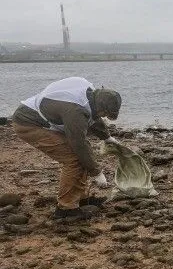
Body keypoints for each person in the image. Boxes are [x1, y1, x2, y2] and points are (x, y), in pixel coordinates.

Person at [12, 76, 122, 220]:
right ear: (100, 106)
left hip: (38, 116)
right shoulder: (75, 110)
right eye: (105, 113)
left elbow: (94, 117)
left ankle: (80, 199)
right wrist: (96, 172)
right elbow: (79, 143)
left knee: (80, 157)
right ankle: (65, 209)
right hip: (28, 123)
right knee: (73, 159)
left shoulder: (91, 95)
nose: (105, 116)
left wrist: (106, 137)